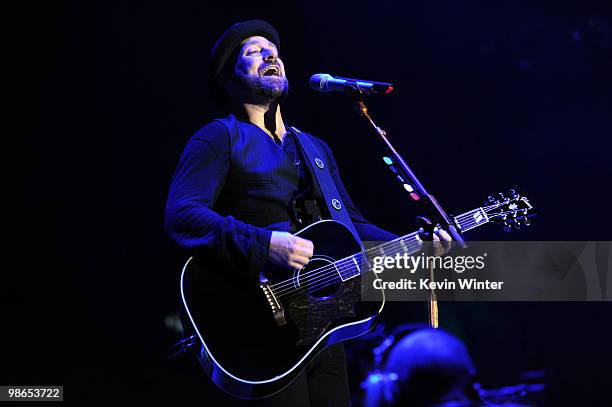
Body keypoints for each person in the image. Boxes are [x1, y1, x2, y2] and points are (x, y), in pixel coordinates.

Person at [164, 20, 452, 407]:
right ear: (227, 77)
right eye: (254, 51)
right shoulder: (219, 137)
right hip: (257, 327)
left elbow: (352, 227)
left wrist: (419, 243)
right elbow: (183, 214)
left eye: (274, 50)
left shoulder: (314, 148)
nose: (271, 55)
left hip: (322, 326)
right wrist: (265, 244)